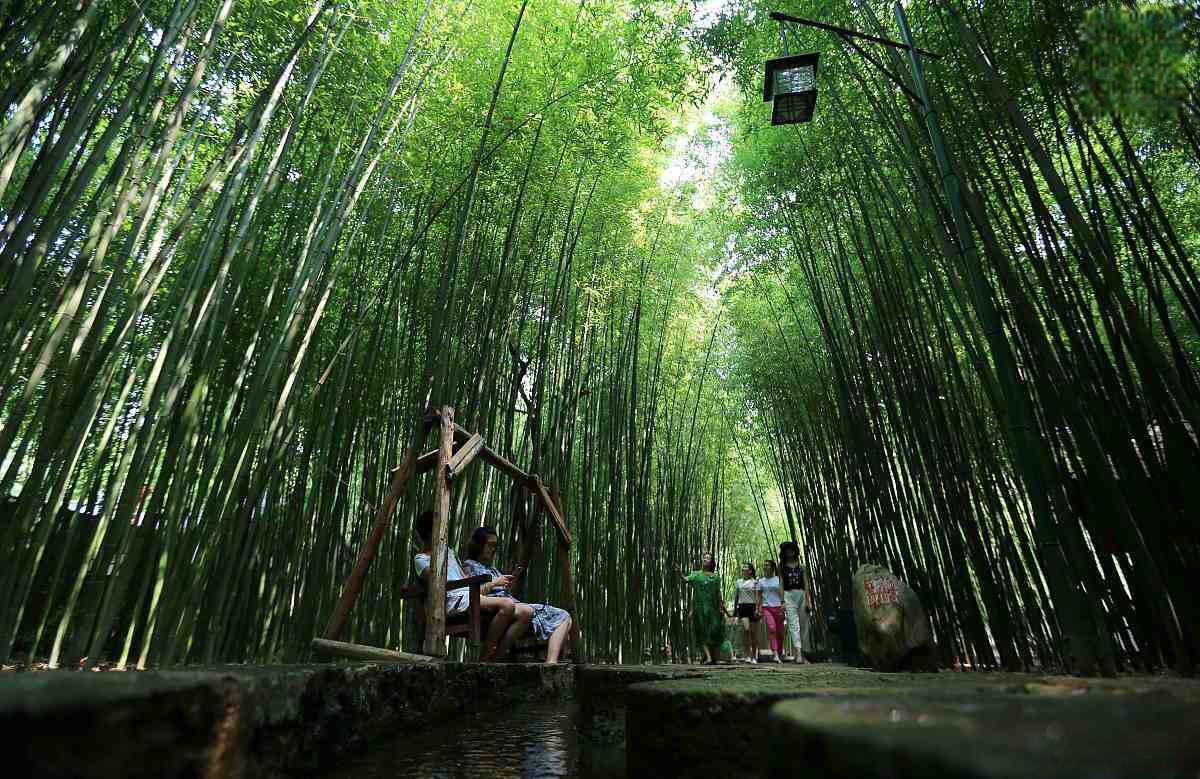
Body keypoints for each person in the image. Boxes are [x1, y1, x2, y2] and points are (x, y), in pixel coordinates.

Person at [412, 510, 524, 660]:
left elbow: (464, 577)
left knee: (523, 612)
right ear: (430, 532)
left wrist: (490, 585)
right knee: (507, 605)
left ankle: (493, 656)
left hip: (468, 594)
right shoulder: (420, 559)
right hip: (452, 599)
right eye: (440, 528)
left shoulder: (449, 551)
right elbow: (436, 582)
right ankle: (485, 658)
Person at [462, 525, 574, 663]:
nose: (493, 549)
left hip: (510, 603)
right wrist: (495, 583)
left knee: (565, 617)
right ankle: (494, 658)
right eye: (490, 545)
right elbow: (471, 593)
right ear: (479, 544)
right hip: (495, 605)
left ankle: (551, 663)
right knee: (529, 612)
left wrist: (509, 581)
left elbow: (502, 592)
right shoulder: (469, 565)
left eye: (495, 545)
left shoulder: (492, 569)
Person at [678, 553, 729, 665]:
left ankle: (707, 656)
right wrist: (679, 572)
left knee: (714, 631)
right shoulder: (696, 574)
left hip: (713, 608)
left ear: (711, 562)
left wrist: (721, 607)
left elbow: (718, 593)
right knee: (702, 632)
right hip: (699, 608)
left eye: (708, 558)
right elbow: (686, 579)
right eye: (704, 558)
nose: (705, 559)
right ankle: (709, 658)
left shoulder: (716, 577)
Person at [779, 541, 814, 663]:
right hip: (789, 595)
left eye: (791, 549)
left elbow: (806, 584)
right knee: (793, 624)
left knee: (805, 625)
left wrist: (808, 600)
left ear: (795, 551)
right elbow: (781, 584)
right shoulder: (782, 567)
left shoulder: (802, 566)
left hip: (801, 594)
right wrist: (782, 601)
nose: (789, 552)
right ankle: (798, 653)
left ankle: (804, 653)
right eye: (787, 550)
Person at [733, 563, 762, 663]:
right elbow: (736, 597)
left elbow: (758, 597)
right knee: (746, 630)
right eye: (743, 568)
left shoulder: (755, 582)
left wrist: (758, 609)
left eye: (746, 567)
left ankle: (754, 655)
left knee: (753, 633)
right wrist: (735, 612)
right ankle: (747, 655)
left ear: (750, 571)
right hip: (742, 607)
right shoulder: (738, 582)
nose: (743, 569)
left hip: (752, 607)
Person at [758, 560, 785, 664]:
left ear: (773, 567)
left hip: (778, 607)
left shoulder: (778, 580)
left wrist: (783, 604)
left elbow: (783, 593)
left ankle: (779, 651)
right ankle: (775, 654)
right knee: (772, 629)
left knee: (780, 633)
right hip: (767, 607)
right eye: (764, 565)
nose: (765, 566)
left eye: (768, 565)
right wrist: (758, 608)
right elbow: (759, 595)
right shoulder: (761, 581)